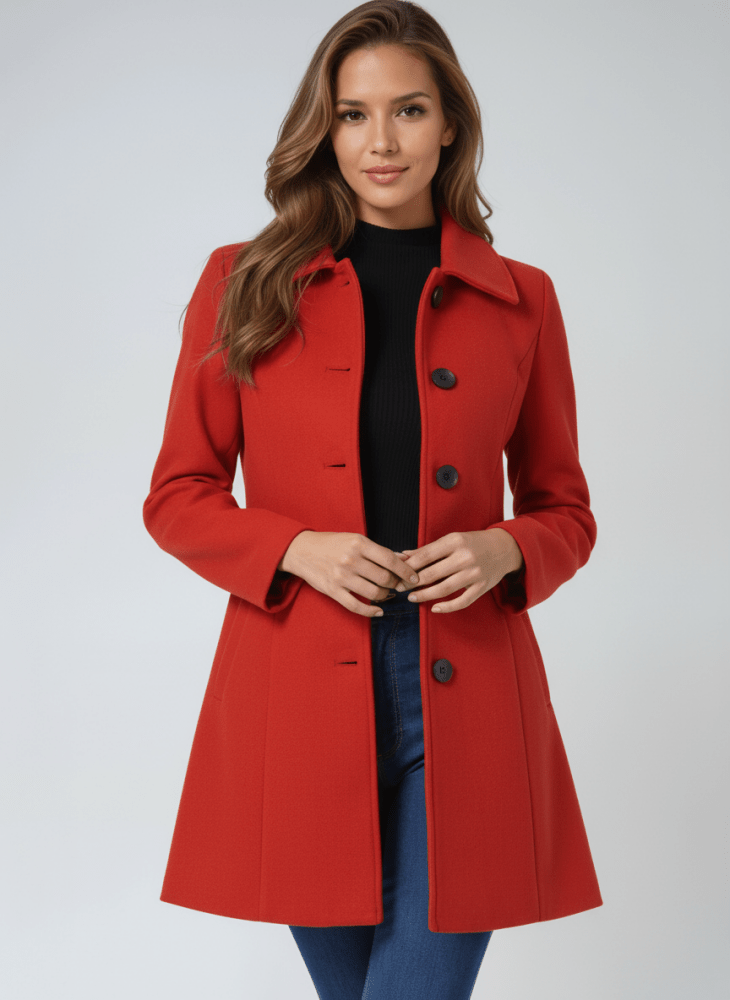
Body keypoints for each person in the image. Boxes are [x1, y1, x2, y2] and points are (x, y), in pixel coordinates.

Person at [142, 2, 602, 998]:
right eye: (353, 114)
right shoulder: (244, 282)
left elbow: (566, 509)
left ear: (450, 125)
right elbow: (177, 496)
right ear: (326, 128)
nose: (380, 141)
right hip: (298, 696)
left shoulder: (521, 299)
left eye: (408, 110)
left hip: (469, 692)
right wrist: (294, 547)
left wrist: (506, 549)